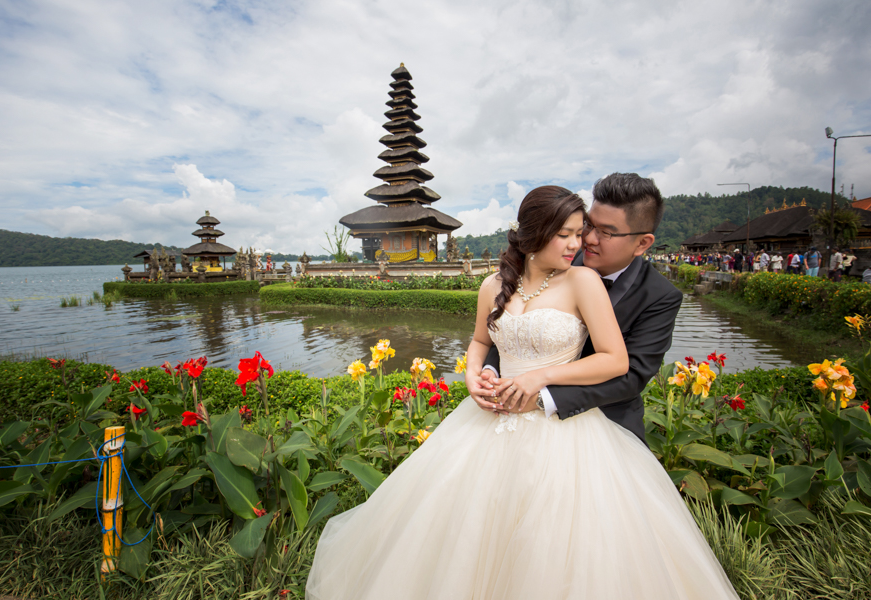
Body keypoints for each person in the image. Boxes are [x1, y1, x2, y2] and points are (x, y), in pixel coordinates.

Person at [306, 181, 739, 599]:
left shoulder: (595, 283)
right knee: (467, 527)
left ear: (641, 242)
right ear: (535, 235)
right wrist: (476, 375)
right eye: (572, 232)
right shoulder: (496, 284)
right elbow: (484, 341)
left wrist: (541, 380)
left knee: (563, 542)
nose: (581, 242)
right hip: (492, 418)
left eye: (590, 233)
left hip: (579, 428)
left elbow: (625, 366)